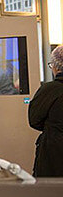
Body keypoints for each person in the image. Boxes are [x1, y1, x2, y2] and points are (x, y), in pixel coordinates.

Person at [28, 45, 63, 177]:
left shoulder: (50, 90)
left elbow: (34, 120)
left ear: (55, 67)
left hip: (54, 156)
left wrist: (52, 127)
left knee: (51, 195)